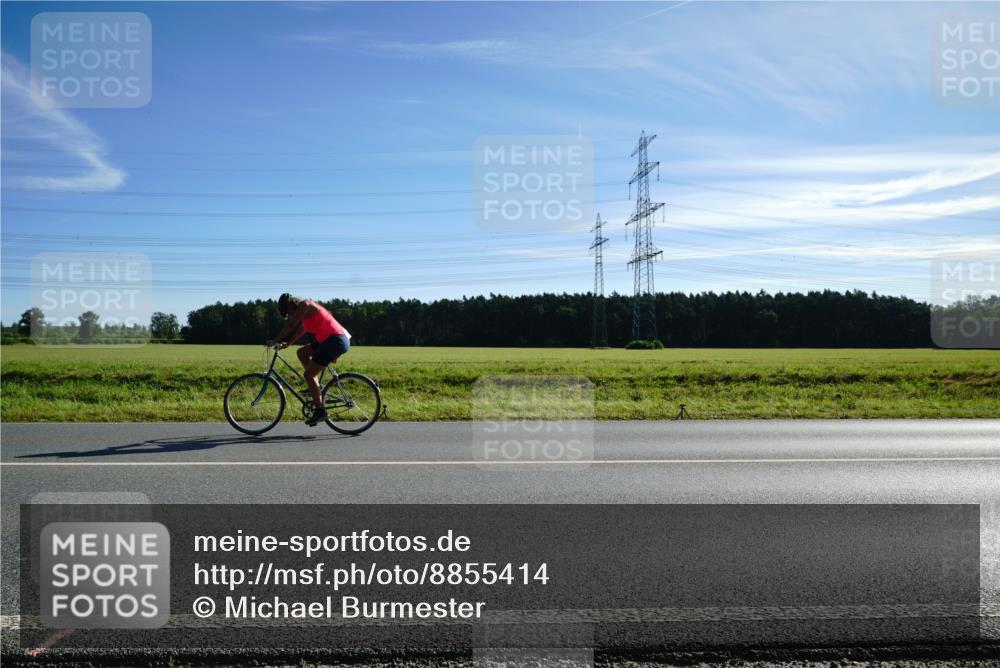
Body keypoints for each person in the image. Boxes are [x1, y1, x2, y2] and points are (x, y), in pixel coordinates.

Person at [266, 293, 351, 426]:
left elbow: (291, 326)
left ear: (290, 305)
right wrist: (288, 343)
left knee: (308, 374)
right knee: (301, 353)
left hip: (334, 341)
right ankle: (316, 387)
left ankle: (320, 411)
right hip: (328, 340)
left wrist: (275, 340)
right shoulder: (306, 311)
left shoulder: (304, 305)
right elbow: (302, 329)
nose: (289, 315)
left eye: (287, 311)